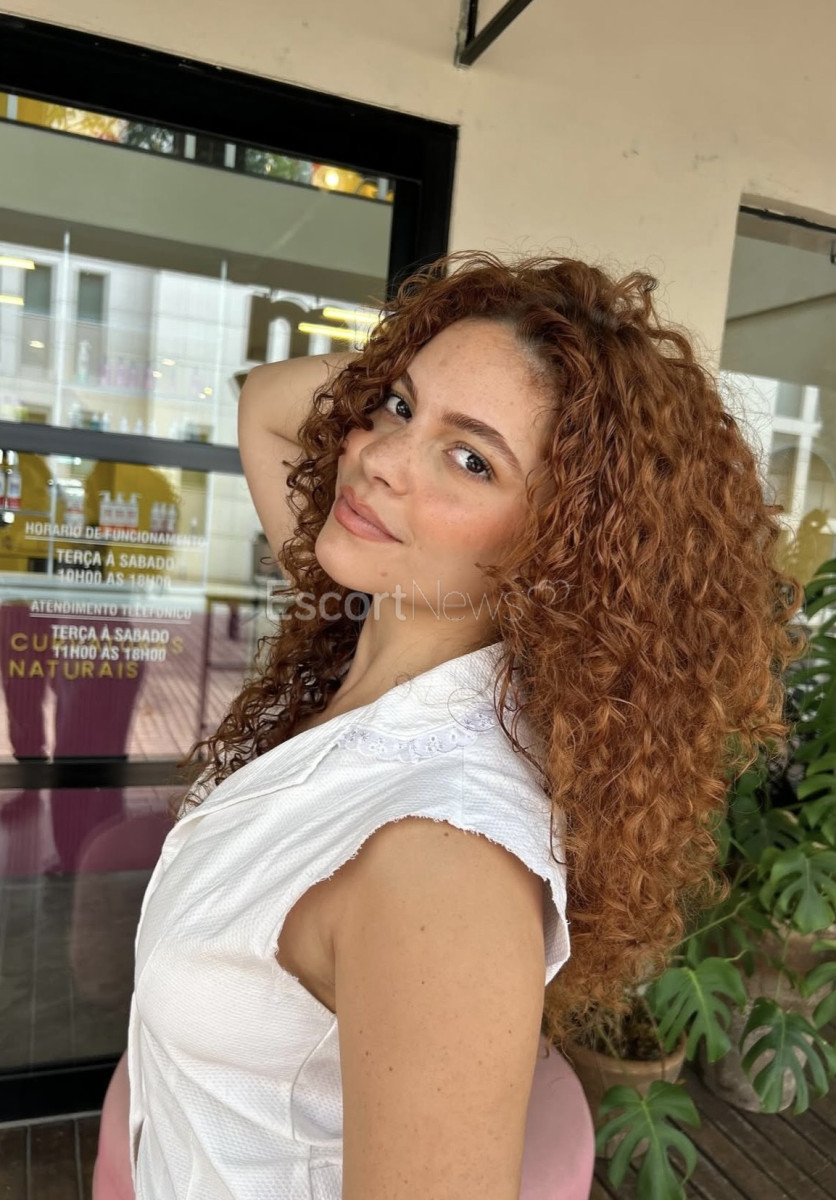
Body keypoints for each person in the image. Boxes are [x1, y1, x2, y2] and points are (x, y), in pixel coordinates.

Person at [125, 250, 804, 1199]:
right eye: (396, 406)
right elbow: (272, 403)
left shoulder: (443, 860)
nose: (376, 458)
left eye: (473, 460)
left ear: (561, 545)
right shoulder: (379, 617)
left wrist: (522, 400)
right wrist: (507, 350)